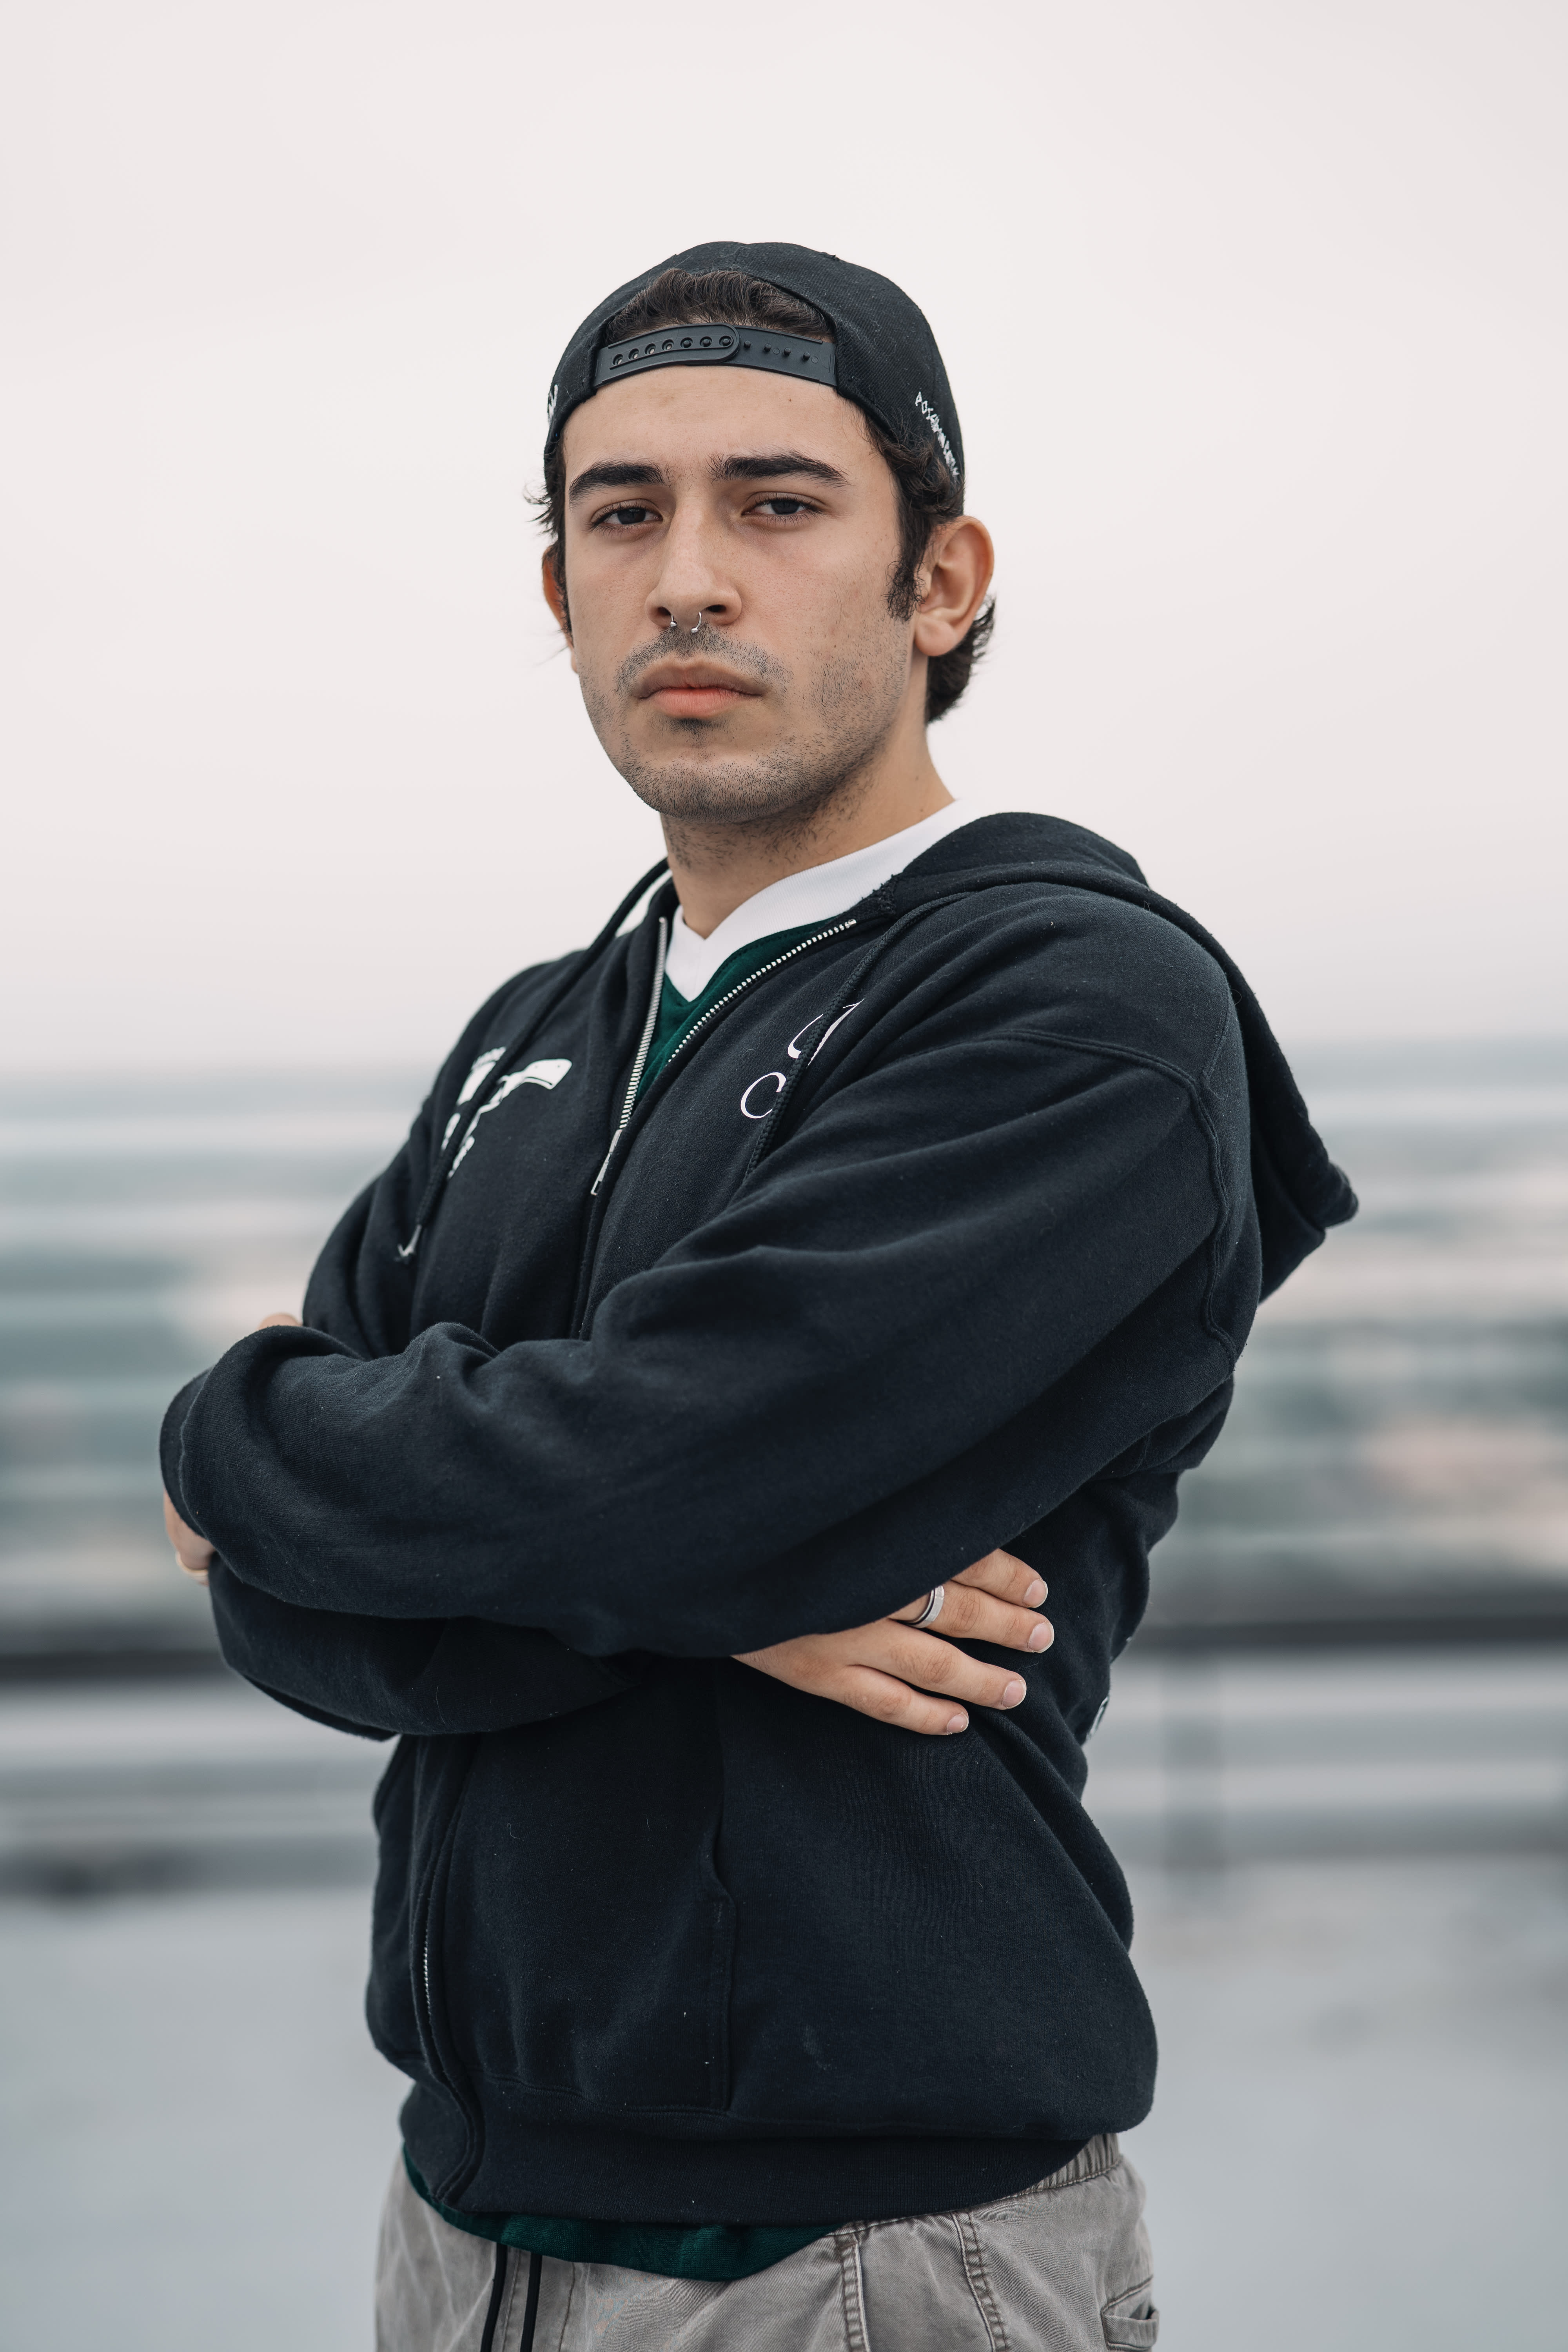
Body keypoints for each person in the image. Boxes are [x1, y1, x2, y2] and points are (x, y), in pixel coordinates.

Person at [162, 242, 1354, 2351]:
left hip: (861, 2252)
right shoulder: (541, 1027)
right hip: (462, 2214)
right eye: (622, 515)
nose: (688, 578)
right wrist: (691, 1586)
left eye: (778, 504)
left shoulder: (1078, 1004)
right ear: (560, 596)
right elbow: (291, 1600)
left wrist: (268, 1458)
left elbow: (641, 1484)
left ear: (942, 580)